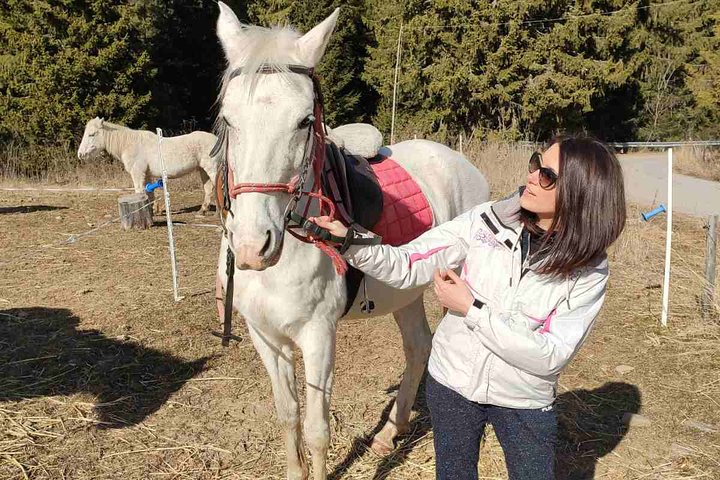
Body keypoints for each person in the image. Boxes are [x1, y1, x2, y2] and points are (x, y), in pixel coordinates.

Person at [310, 134, 626, 480]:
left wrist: (471, 309)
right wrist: (350, 241)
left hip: (524, 400)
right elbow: (408, 262)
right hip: (451, 384)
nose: (532, 175)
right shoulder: (485, 222)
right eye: (536, 163)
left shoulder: (588, 271)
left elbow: (549, 355)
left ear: (581, 192)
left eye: (547, 175)